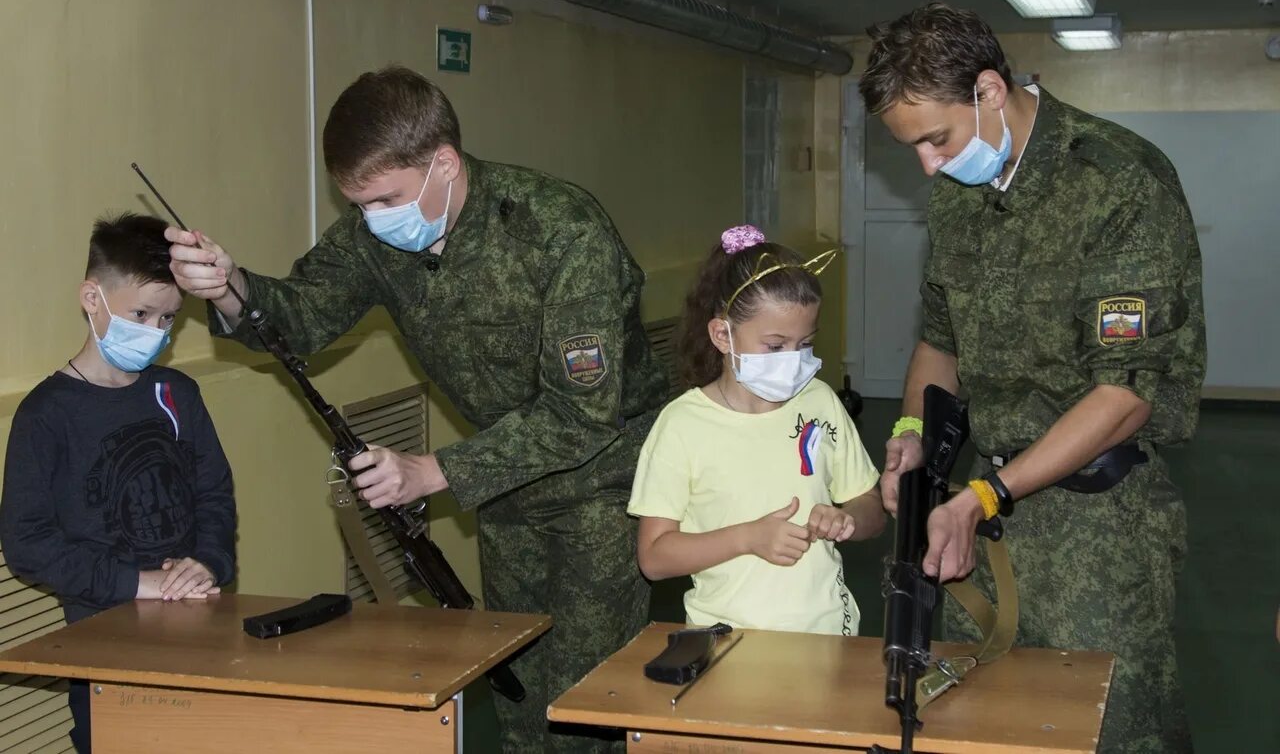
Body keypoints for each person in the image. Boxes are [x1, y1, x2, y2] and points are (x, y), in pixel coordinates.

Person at [165, 66, 669, 752]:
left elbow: (581, 415)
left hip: (606, 487)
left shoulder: (559, 231)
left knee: (587, 702)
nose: (373, 220)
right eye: (359, 204)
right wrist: (227, 289)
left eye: (385, 199)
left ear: (445, 163)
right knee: (518, 693)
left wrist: (433, 472)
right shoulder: (373, 237)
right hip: (504, 488)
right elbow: (299, 318)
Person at [859, 3, 1204, 753]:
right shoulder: (958, 194)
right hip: (982, 511)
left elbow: (1124, 395)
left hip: (1099, 521)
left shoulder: (1117, 183)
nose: (928, 166)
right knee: (983, 723)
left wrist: (984, 496)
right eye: (911, 148)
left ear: (988, 89)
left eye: (935, 139)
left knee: (1114, 727)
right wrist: (913, 435)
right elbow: (939, 342)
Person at [1, 213, 237, 753]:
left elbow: (214, 495)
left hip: (200, 630)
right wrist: (138, 583)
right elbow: (28, 543)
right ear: (92, 298)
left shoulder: (178, 393)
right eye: (141, 314)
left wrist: (209, 561)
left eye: (169, 319)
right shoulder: (45, 415)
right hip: (105, 646)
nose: (155, 333)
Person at [629, 225, 884, 635]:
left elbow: (870, 506)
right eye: (775, 345)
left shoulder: (820, 402)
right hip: (727, 642)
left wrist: (847, 519)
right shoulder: (682, 426)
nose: (793, 359)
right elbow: (655, 558)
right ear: (722, 335)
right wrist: (748, 537)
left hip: (828, 635)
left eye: (805, 344)